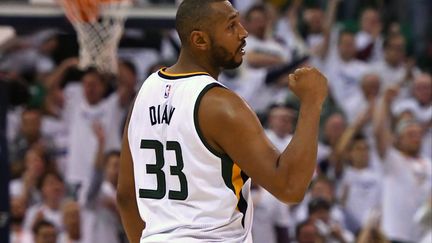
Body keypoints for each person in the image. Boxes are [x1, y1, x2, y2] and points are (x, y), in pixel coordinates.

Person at [116, 0, 328, 242]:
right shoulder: (220, 105)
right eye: (231, 26)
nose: (243, 32)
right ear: (200, 40)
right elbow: (290, 187)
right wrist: (312, 103)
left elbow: (125, 196)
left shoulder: (144, 94)